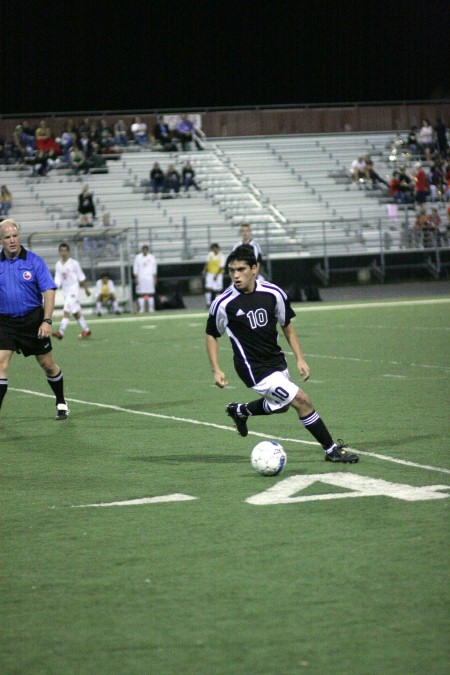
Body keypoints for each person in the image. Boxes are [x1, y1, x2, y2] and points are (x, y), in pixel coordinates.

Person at [205, 245, 358, 463]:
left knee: (282, 406)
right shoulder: (223, 303)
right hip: (252, 369)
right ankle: (331, 449)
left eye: (241, 269)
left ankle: (240, 411)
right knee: (301, 401)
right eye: (231, 271)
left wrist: (300, 358)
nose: (236, 276)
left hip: (276, 361)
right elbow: (211, 334)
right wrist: (216, 369)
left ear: (254, 269)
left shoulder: (273, 293)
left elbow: (286, 324)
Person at [0, 219, 69, 420]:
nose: (12, 240)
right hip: (5, 322)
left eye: (15, 236)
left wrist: (46, 321)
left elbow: (48, 290)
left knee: (47, 364)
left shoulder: (34, 261)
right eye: (7, 237)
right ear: (1, 240)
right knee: (1, 365)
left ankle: (61, 400)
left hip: (33, 321)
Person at [52, 243, 92, 340]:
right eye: (61, 251)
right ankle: (86, 329)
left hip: (73, 291)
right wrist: (54, 290)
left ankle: (61, 332)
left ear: (68, 252)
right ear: (59, 252)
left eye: (65, 250)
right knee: (76, 312)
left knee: (67, 310)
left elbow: (81, 277)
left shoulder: (74, 263)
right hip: (65, 292)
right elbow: (57, 279)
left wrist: (86, 289)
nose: (63, 253)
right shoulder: (58, 265)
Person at [133, 244, 157, 313]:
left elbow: (154, 267)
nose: (144, 251)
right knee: (141, 294)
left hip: (149, 278)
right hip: (141, 277)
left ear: (147, 250)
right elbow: (135, 267)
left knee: (149, 293)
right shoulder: (137, 257)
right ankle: (142, 308)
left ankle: (150, 308)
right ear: (142, 250)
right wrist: (136, 277)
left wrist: (154, 278)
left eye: (146, 249)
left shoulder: (152, 257)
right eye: (143, 249)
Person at [202, 243, 225, 308]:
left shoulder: (222, 256)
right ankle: (208, 303)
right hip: (210, 274)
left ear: (217, 248)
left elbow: (221, 267)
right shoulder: (210, 255)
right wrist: (204, 270)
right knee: (208, 288)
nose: (214, 250)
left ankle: (217, 304)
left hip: (218, 274)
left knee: (218, 290)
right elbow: (207, 263)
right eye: (213, 248)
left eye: (215, 248)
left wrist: (216, 275)